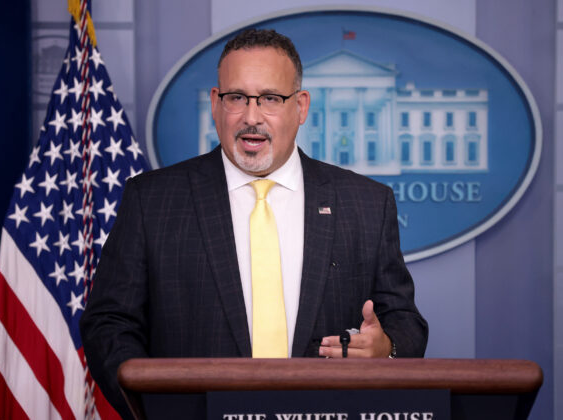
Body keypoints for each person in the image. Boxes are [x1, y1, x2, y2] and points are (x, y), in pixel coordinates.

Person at [80, 28, 428, 417]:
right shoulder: (153, 200)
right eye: (236, 98)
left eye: (269, 99)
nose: (251, 117)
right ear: (216, 103)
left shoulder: (365, 203)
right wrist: (153, 406)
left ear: (301, 106)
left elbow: (404, 321)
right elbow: (109, 324)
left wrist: (386, 349)